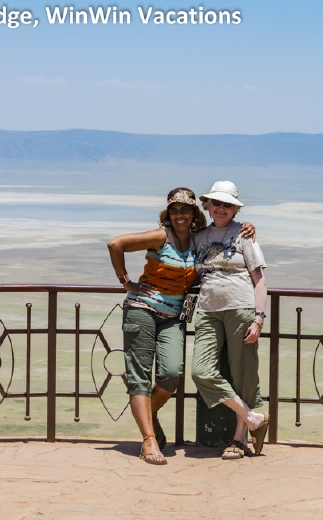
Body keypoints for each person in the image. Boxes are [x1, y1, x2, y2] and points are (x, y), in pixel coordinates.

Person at [107, 187, 255, 465]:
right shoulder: (161, 236)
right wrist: (127, 283)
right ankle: (149, 440)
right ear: (168, 213)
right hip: (141, 310)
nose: (179, 215)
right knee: (140, 377)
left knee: (172, 374)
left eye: (185, 209)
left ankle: (146, 414)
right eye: (174, 210)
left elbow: (223, 235)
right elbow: (116, 244)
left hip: (173, 317)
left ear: (194, 213)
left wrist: (246, 226)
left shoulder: (198, 239)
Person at [191, 181, 269, 460]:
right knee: (200, 371)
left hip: (241, 309)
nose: (221, 208)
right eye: (216, 203)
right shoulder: (199, 236)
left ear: (234, 209)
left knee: (243, 374)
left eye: (227, 204)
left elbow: (260, 280)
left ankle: (239, 438)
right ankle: (253, 417)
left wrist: (258, 319)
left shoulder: (244, 235)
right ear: (208, 206)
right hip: (207, 311)